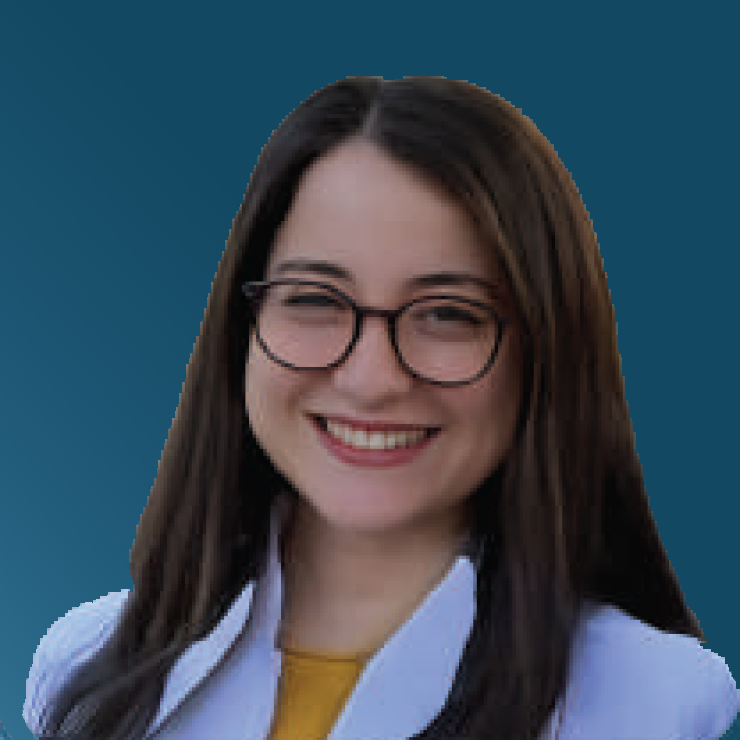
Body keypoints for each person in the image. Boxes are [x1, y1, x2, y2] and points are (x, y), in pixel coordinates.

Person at [24, 76, 739, 740]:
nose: (371, 380)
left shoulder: (655, 705)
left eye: (448, 314)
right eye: (314, 299)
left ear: (547, 352)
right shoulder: (83, 670)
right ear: (241, 331)